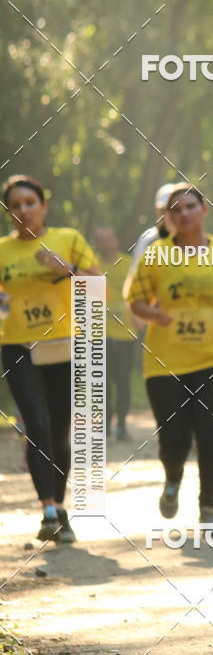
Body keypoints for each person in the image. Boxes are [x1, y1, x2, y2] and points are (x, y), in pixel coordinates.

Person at [126, 184, 213, 525]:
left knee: (210, 434)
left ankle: (207, 507)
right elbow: (135, 300)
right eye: (175, 210)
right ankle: (172, 478)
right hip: (164, 361)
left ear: (205, 210)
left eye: (190, 207)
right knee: (174, 439)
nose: (183, 214)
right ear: (167, 217)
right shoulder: (155, 254)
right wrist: (154, 314)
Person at [0, 175, 101, 543]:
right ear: (9, 212)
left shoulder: (68, 239)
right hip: (18, 345)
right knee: (36, 425)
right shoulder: (2, 251)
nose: (23, 210)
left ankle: (60, 506)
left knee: (60, 431)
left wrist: (67, 270)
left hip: (63, 343)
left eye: (30, 202)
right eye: (15, 205)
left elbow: (96, 286)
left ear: (44, 206)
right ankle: (47, 509)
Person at [94, 226, 140, 440]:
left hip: (125, 334)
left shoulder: (129, 263)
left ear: (116, 239)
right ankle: (104, 425)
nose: (105, 243)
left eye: (108, 238)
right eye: (100, 239)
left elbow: (138, 295)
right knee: (102, 382)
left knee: (123, 382)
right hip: (99, 334)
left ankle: (121, 424)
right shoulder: (91, 265)